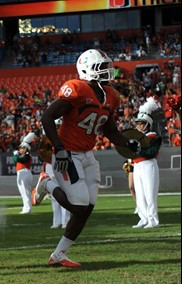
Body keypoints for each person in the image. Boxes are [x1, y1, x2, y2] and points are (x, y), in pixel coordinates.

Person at [32, 49, 140, 267]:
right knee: (78, 206)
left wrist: (127, 143)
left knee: (87, 208)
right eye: (101, 67)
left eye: (106, 67)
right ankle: (46, 183)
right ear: (86, 69)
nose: (106, 72)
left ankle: (59, 254)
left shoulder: (110, 95)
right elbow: (48, 116)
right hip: (67, 153)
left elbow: (110, 130)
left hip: (88, 154)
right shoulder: (77, 88)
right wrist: (59, 148)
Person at [132, 98, 162, 229]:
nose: (138, 125)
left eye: (141, 123)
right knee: (140, 194)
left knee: (150, 193)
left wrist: (138, 150)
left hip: (148, 165)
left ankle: (153, 220)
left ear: (147, 124)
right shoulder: (135, 137)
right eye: (137, 123)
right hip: (137, 166)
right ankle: (143, 218)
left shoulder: (154, 136)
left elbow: (151, 151)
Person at [14, 141, 32, 214]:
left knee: (26, 192)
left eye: (22, 148)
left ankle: (28, 209)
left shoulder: (27, 155)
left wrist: (15, 155)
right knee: (23, 192)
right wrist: (16, 155)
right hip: (20, 173)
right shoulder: (21, 155)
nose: (20, 150)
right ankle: (25, 208)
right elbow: (15, 161)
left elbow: (19, 160)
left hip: (25, 172)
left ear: (25, 149)